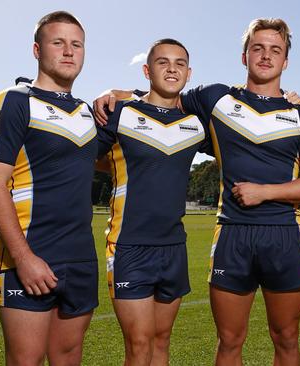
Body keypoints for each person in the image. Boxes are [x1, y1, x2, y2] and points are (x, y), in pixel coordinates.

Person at [94, 18, 300, 366]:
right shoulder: (215, 98)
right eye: (258, 48)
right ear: (244, 56)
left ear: (286, 61)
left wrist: (264, 192)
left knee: (287, 338)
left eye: (275, 50)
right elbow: (162, 96)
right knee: (230, 341)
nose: (266, 56)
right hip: (232, 235)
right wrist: (114, 94)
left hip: (284, 235)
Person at [0, 11, 98, 365]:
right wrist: (24, 258)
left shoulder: (88, 113)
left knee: (69, 356)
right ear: (36, 49)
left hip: (80, 260)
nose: (68, 51)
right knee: (25, 359)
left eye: (76, 44)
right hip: (27, 258)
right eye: (57, 42)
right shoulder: (11, 102)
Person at [96, 38, 211, 366]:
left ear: (189, 73)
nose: (172, 68)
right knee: (139, 343)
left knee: (161, 341)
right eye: (163, 62)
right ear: (147, 70)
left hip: (174, 246)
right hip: (129, 246)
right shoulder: (120, 111)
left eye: (179, 63)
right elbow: (82, 158)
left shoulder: (197, 124)